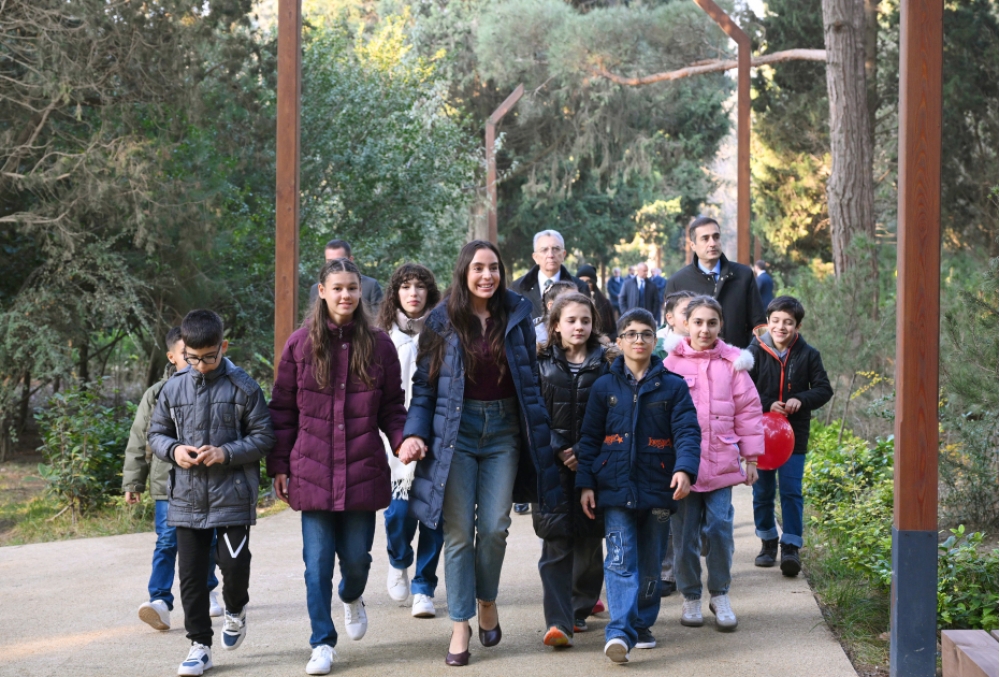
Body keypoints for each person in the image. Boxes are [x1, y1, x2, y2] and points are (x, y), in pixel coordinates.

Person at [397, 240, 550, 667]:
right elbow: (425, 387)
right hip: (455, 434)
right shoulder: (441, 320)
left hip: (504, 432)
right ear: (464, 272)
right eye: (478, 268)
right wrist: (414, 433)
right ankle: (461, 623)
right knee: (459, 533)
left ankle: (487, 599)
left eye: (494, 267)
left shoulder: (517, 314)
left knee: (496, 527)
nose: (487, 275)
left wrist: (543, 435)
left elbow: (531, 382)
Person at [268, 258, 409, 676]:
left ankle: (352, 596)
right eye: (338, 288)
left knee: (357, 560)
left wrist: (402, 441)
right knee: (316, 567)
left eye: (352, 288)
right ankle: (321, 643)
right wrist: (279, 465)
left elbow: (392, 407)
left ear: (360, 292)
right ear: (322, 292)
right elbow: (282, 411)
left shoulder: (379, 345)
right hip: (311, 471)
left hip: (362, 469)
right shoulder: (299, 345)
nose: (345, 295)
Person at [148, 310, 275, 677]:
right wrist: (174, 450)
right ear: (182, 350)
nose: (201, 366)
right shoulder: (172, 388)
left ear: (224, 346)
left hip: (232, 495)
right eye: (192, 358)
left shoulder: (244, 387)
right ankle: (199, 646)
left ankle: (235, 610)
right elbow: (156, 434)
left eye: (209, 357)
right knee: (190, 576)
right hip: (186, 497)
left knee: (234, 566)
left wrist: (226, 453)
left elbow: (265, 436)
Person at [575, 308, 702, 664]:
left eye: (646, 333)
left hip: (660, 489)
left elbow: (688, 432)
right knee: (619, 559)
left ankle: (642, 624)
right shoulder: (604, 387)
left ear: (654, 339)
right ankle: (619, 631)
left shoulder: (673, 386)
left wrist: (685, 469)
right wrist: (586, 483)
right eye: (631, 334)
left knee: (650, 563)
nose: (639, 340)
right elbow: (589, 438)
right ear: (619, 341)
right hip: (614, 489)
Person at [662, 296, 763, 632]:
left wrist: (751, 457)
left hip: (721, 462)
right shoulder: (671, 364)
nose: (704, 329)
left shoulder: (733, 364)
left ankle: (720, 593)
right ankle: (690, 595)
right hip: (683, 467)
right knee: (684, 534)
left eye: (712, 323)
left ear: (721, 325)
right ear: (685, 324)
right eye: (698, 322)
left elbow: (749, 412)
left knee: (719, 528)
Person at [124, 327, 222, 631]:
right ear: (172, 357)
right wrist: (133, 482)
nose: (194, 360)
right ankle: (160, 601)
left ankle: (207, 589)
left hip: (206, 480)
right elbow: (139, 438)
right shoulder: (156, 393)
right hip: (166, 482)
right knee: (167, 541)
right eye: (186, 354)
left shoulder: (216, 386)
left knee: (208, 539)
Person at [533, 293, 613, 648]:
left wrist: (583, 451)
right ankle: (558, 622)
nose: (578, 326)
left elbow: (615, 412)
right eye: (571, 320)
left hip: (595, 464)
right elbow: (532, 412)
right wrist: (559, 447)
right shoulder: (539, 363)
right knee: (555, 541)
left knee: (590, 540)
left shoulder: (608, 363)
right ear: (555, 325)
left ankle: (580, 606)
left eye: (585, 320)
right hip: (551, 465)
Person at [374, 263, 445, 618]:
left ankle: (424, 587)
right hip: (395, 437)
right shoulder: (381, 337)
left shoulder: (443, 332)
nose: (413, 293)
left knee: (434, 517)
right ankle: (399, 559)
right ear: (395, 293)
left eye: (419, 286)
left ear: (430, 292)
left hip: (438, 434)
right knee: (399, 512)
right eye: (405, 286)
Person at [747, 296, 833, 576]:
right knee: (762, 491)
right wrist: (767, 404)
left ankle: (791, 546)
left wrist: (801, 399)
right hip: (761, 435)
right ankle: (768, 540)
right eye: (776, 321)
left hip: (794, 435)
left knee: (791, 491)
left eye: (788, 322)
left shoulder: (809, 354)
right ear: (767, 321)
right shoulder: (754, 352)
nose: (781, 327)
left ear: (797, 326)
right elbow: (742, 390)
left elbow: (824, 389)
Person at [650, 289, 697, 596]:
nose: (694, 319)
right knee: (665, 507)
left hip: (698, 437)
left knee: (693, 512)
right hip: (664, 436)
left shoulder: (708, 346)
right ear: (670, 318)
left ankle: (685, 564)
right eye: (686, 313)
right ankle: (667, 571)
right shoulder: (656, 348)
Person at [664, 217, 765, 349]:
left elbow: (758, 324)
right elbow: (671, 328)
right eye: (705, 238)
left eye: (716, 237)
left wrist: (748, 355)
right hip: (693, 360)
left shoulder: (743, 275)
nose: (712, 243)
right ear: (693, 245)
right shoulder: (677, 282)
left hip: (737, 357)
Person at [511, 229, 589, 319]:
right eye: (544, 250)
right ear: (535, 257)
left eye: (556, 249)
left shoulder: (579, 288)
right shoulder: (518, 288)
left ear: (563, 254)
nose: (550, 255)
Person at [307, 239, 385, 316]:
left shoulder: (370, 286)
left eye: (352, 288)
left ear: (350, 260)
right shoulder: (316, 289)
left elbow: (378, 319)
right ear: (322, 291)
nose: (335, 266)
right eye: (330, 262)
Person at [576, 264, 615, 337]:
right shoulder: (572, 303)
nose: (584, 285)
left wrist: (608, 338)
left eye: (588, 281)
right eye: (581, 281)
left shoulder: (604, 303)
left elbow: (614, 331)